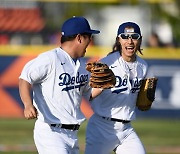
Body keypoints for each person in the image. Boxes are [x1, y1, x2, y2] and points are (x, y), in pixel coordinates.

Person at [19, 16, 100, 154]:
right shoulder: (50, 59)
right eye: (89, 36)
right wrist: (27, 104)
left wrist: (105, 85)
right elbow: (25, 79)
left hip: (72, 135)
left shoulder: (81, 65)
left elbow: (90, 93)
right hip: (50, 132)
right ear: (79, 38)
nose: (90, 41)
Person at [85, 22, 148, 154]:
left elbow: (138, 98)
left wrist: (145, 100)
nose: (129, 41)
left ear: (140, 39)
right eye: (124, 37)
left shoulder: (143, 66)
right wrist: (99, 88)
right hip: (101, 127)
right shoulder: (106, 63)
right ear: (118, 40)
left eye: (134, 37)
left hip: (126, 129)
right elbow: (87, 95)